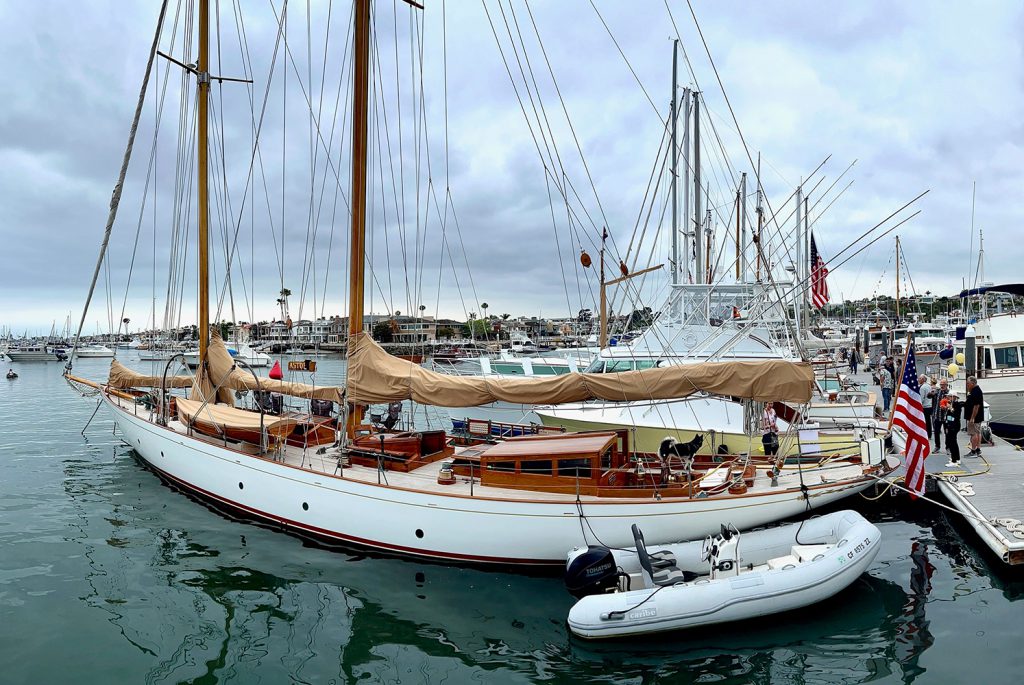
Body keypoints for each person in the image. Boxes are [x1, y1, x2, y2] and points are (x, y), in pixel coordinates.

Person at [940, 391, 964, 468]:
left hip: (954, 426)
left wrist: (950, 408)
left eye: (950, 396)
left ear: (954, 397)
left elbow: (955, 416)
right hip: (951, 425)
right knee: (953, 442)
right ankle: (957, 458)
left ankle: (954, 460)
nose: (948, 398)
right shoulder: (952, 404)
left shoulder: (957, 405)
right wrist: (947, 425)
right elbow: (949, 416)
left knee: (952, 442)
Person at [964, 376, 984, 457]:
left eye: (968, 384)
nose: (967, 385)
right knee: (978, 432)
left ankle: (973, 451)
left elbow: (976, 406)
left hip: (974, 417)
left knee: (973, 433)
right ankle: (978, 449)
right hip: (977, 416)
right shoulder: (975, 391)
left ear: (973, 383)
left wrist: (972, 418)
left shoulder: (976, 392)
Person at [932, 378, 948, 452]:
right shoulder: (937, 392)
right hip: (937, 415)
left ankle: (948, 447)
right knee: (936, 432)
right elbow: (929, 396)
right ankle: (937, 446)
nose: (942, 386)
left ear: (946, 385)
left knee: (947, 432)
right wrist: (931, 393)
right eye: (941, 384)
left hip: (946, 416)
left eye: (943, 384)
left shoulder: (949, 393)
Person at [919, 375, 933, 444]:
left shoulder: (922, 388)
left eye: (920, 378)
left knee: (924, 421)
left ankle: (924, 434)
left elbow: (922, 398)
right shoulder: (929, 386)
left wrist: (919, 405)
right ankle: (929, 434)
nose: (918, 380)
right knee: (928, 421)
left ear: (923, 379)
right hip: (929, 405)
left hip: (924, 406)